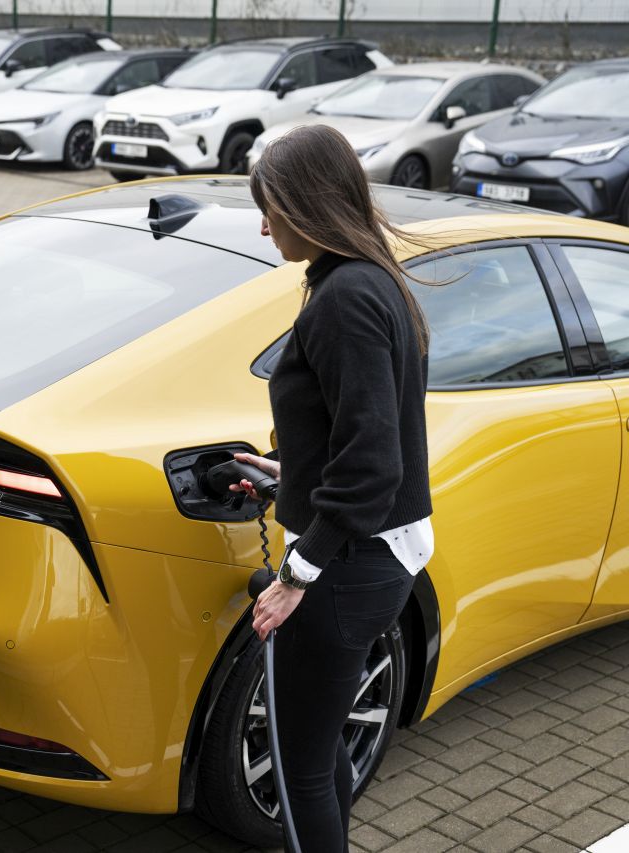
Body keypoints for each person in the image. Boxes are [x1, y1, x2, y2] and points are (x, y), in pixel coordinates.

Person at [229, 124, 434, 853]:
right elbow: (365, 429)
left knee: (301, 772)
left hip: (347, 569)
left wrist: (296, 575)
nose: (264, 227)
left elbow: (373, 463)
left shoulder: (345, 296)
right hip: (374, 559)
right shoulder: (370, 278)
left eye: (271, 210)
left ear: (306, 204)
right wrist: (293, 473)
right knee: (319, 758)